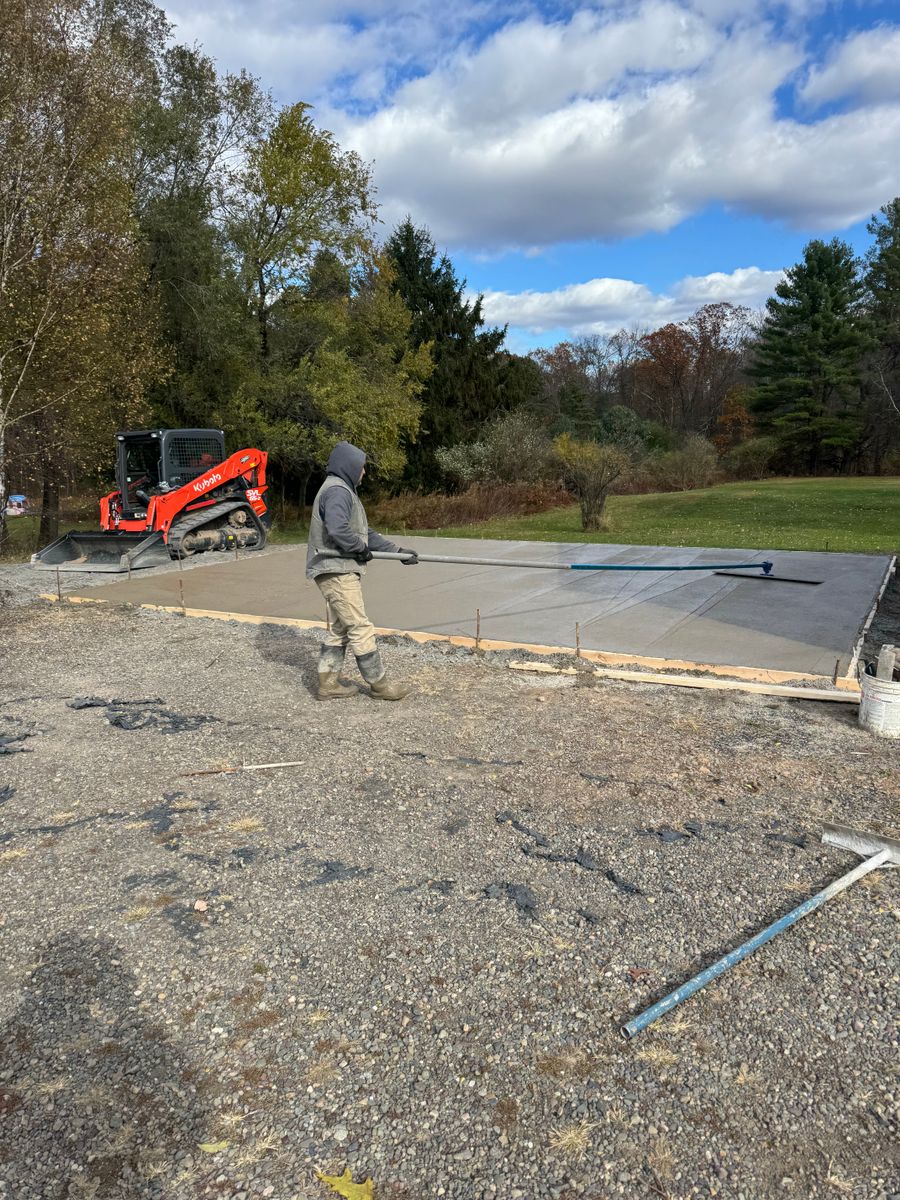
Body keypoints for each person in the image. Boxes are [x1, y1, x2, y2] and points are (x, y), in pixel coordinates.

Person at [306, 441, 419, 701]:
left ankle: (328, 684)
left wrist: (397, 552)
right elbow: (338, 530)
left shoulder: (342, 490)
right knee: (360, 627)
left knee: (341, 628)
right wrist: (359, 549)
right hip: (336, 571)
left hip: (335, 569)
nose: (364, 472)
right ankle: (380, 687)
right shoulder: (338, 492)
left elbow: (363, 534)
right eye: (362, 467)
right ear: (349, 466)